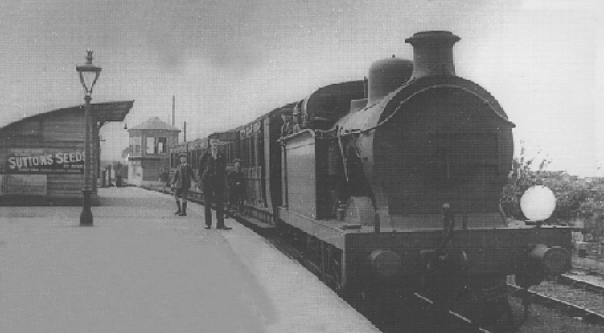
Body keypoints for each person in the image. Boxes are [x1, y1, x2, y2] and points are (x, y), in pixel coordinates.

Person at [198, 139, 231, 230]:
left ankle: (220, 223)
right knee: (207, 203)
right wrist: (202, 179)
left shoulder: (221, 156)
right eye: (213, 144)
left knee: (220, 203)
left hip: (218, 182)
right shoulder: (205, 155)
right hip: (207, 182)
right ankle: (208, 223)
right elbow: (200, 168)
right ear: (210, 145)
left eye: (216, 144)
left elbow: (223, 168)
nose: (215, 146)